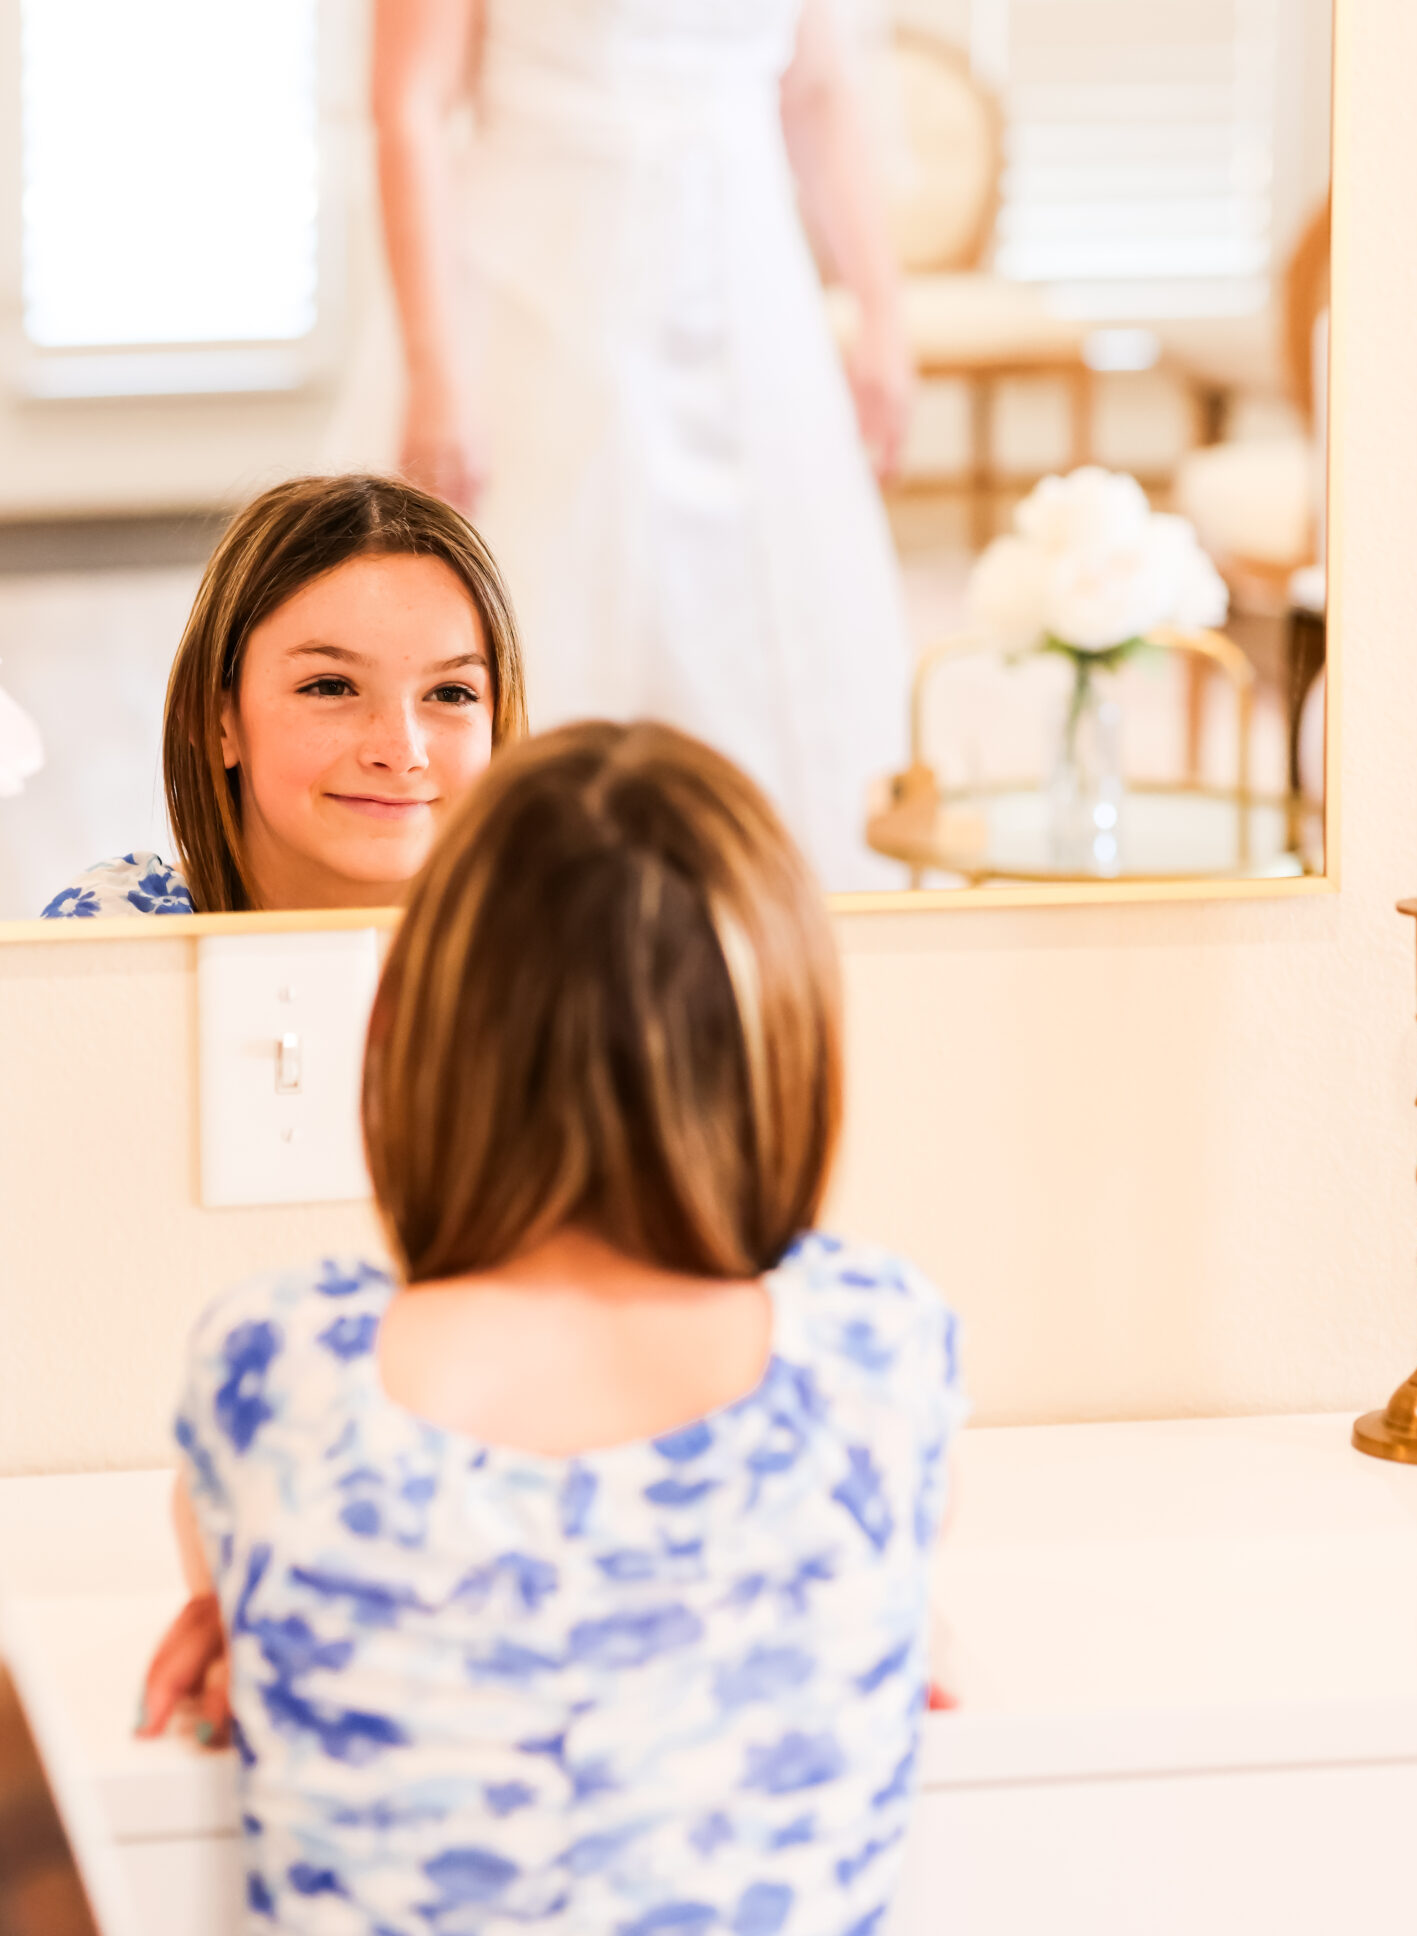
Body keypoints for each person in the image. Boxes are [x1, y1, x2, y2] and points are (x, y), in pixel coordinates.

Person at [140, 718, 965, 1931]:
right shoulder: (874, 1349)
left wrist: (260, 1603)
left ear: (411, 1029)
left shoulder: (276, 1365)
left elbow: (232, 1552)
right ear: (784, 1044)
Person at [365, 0, 912, 890]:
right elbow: (410, 108)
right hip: (550, 308)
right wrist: (437, 370)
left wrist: (882, 318)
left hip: (753, 318)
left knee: (768, 633)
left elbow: (820, 97)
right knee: (566, 622)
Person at [41, 474, 524, 918]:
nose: (401, 753)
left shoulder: (551, 939)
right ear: (216, 722)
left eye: (451, 693)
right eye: (331, 687)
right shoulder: (109, 943)